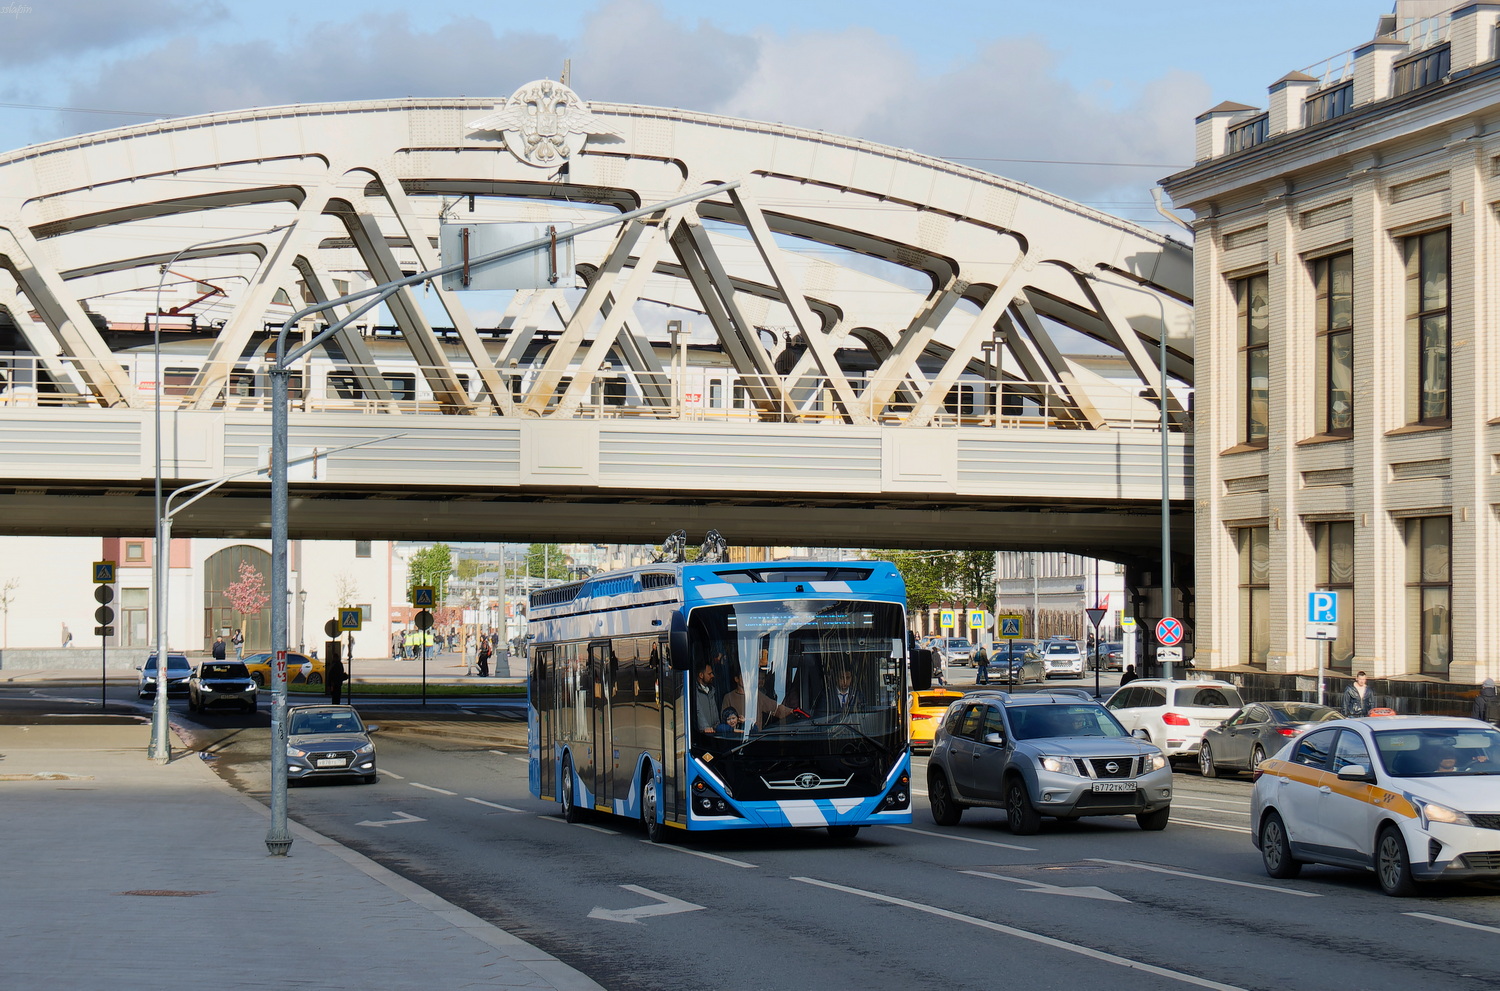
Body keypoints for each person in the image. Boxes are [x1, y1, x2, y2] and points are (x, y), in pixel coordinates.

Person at [693, 660, 719, 736]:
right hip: (701, 735)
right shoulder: (693, 691)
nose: (712, 676)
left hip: (713, 733)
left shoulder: (712, 690)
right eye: (709, 674)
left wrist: (718, 726)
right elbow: (698, 711)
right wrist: (705, 727)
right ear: (701, 675)